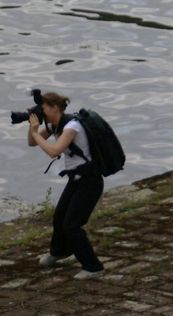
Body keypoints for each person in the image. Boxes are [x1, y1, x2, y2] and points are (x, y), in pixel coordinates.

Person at [26, 91, 105, 280]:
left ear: (54, 108)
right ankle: (59, 251)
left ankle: (93, 267)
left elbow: (54, 151)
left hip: (90, 181)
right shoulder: (56, 125)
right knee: (60, 216)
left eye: (43, 108)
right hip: (76, 180)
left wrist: (37, 132)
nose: (42, 111)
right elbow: (31, 142)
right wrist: (32, 128)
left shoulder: (72, 126)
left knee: (72, 225)